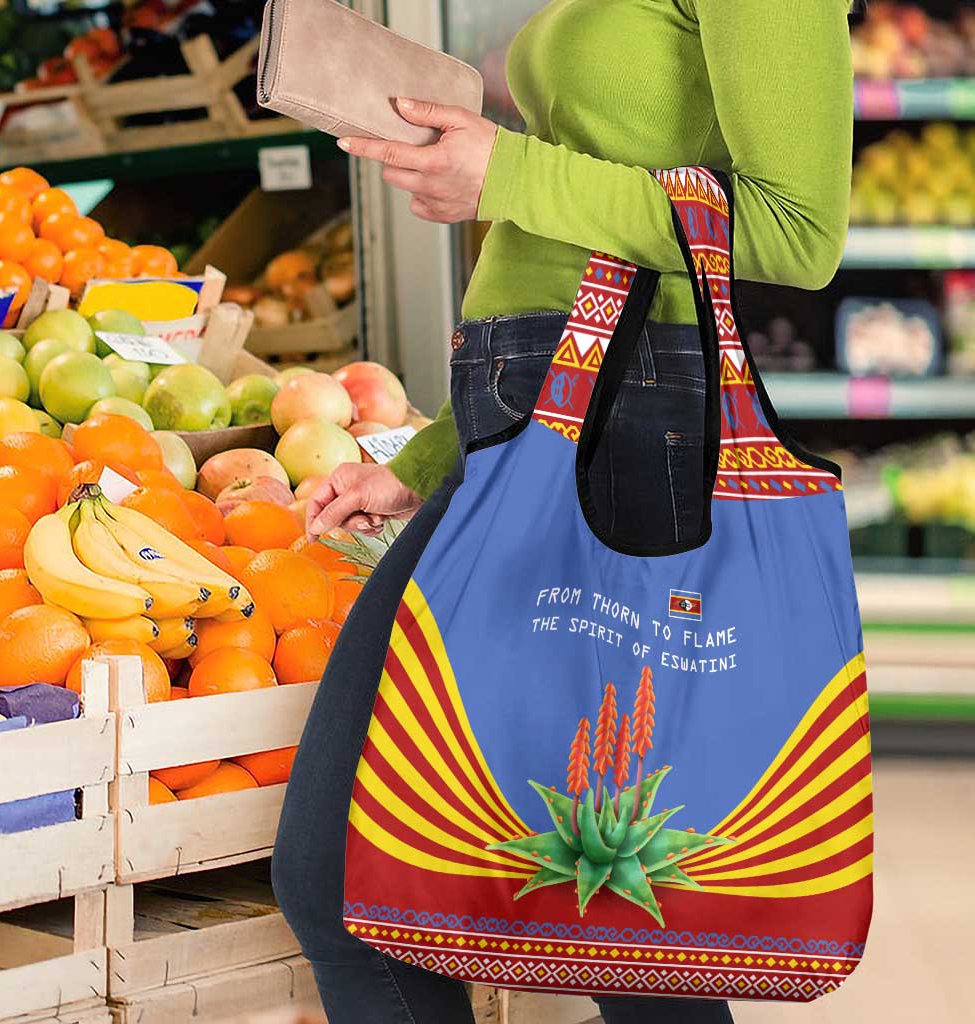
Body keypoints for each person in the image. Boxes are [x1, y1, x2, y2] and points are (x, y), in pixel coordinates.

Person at [272, 2, 856, 1022]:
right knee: (604, 921)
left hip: (630, 438)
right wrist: (433, 455)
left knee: (393, 884)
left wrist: (508, 172)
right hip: (541, 427)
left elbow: (798, 230)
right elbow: (574, 239)